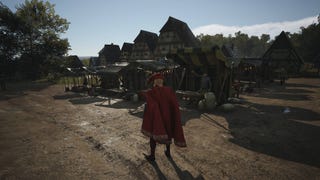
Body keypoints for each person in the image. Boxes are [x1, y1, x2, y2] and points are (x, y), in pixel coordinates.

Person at [140, 73, 186, 161]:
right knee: (168, 133)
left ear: (154, 82)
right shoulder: (169, 90)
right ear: (162, 82)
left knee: (153, 136)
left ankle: (152, 155)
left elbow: (148, 101)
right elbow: (175, 104)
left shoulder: (151, 92)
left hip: (157, 118)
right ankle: (168, 152)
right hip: (167, 117)